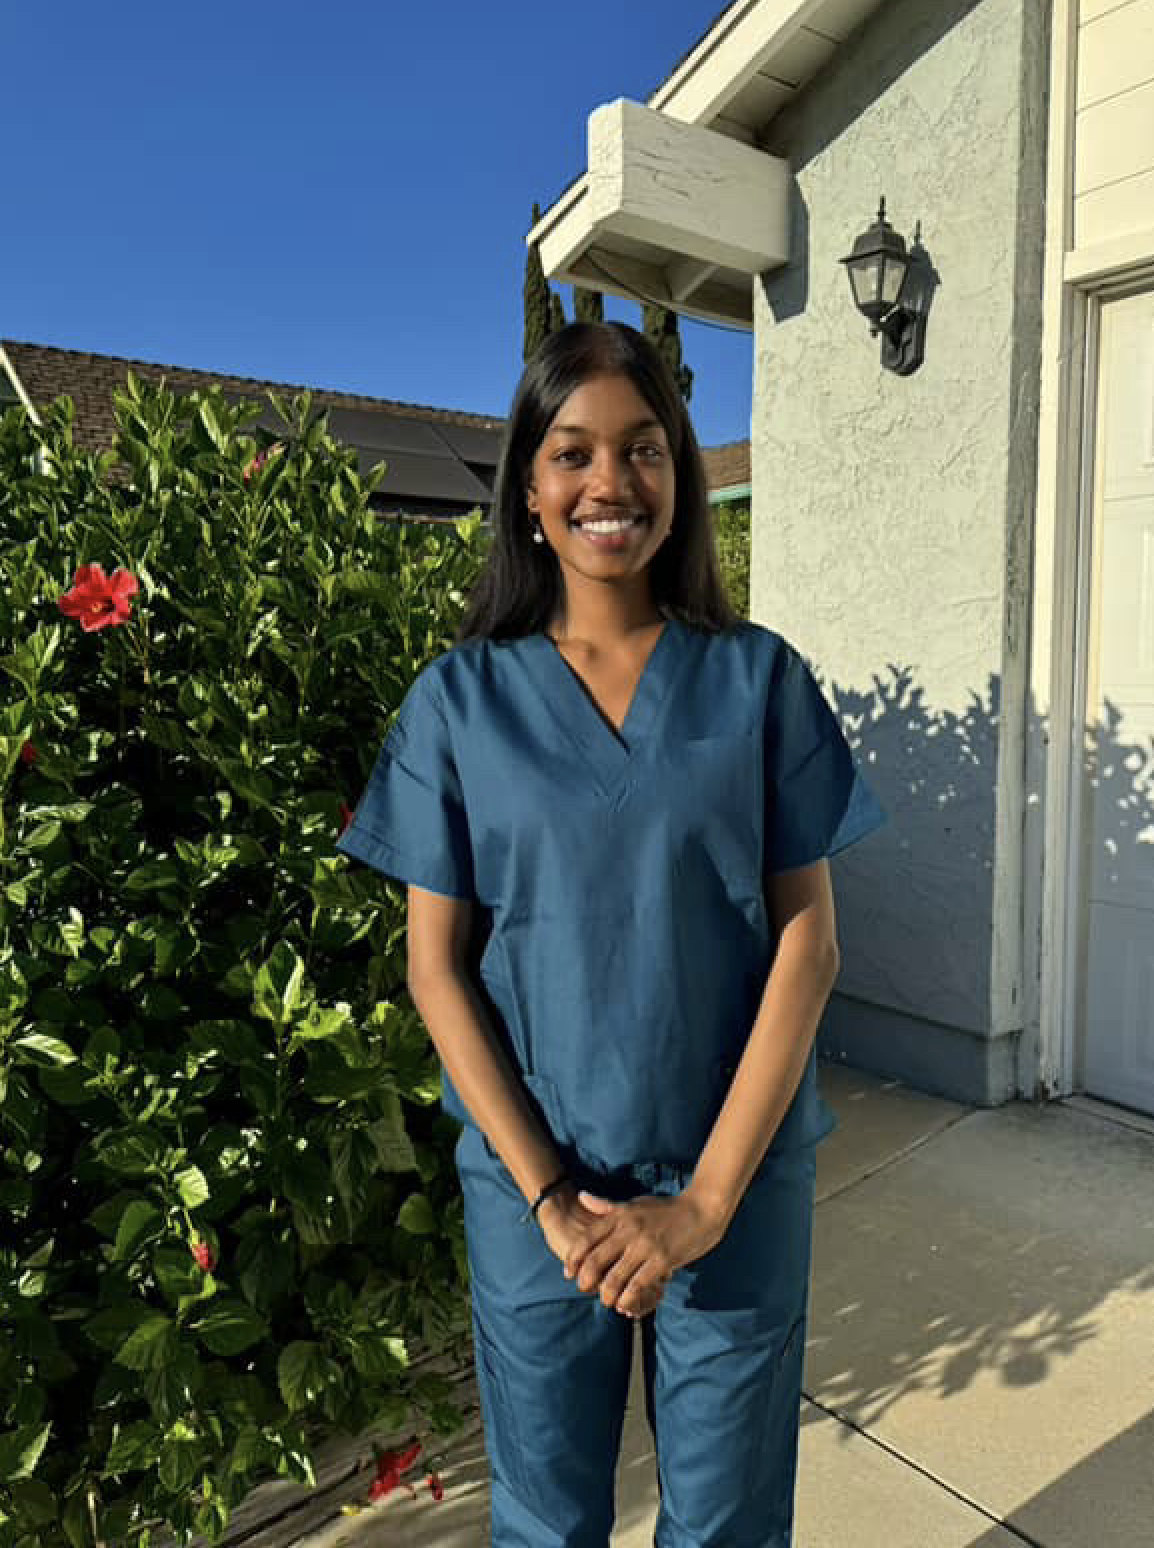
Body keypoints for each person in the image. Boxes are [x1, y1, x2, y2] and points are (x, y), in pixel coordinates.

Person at [337, 320, 887, 1547]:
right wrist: (547, 1198)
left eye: (642, 449)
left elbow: (809, 945)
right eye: (573, 451)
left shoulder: (758, 683)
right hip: (541, 1199)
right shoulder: (458, 705)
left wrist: (700, 1204)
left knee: (729, 1521)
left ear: (679, 476)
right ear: (529, 487)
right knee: (544, 1520)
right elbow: (436, 970)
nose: (609, 484)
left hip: (730, 1186)